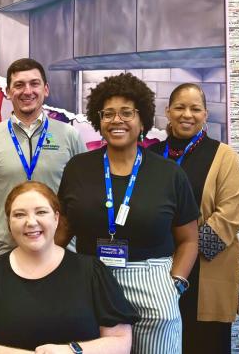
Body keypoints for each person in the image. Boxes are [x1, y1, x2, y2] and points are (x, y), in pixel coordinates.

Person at [56, 72, 200, 354]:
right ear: (98, 120)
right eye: (108, 113)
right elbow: (63, 230)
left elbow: (189, 240)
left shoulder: (169, 173)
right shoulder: (78, 168)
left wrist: (175, 286)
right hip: (90, 280)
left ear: (142, 119)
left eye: (126, 112)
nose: (116, 120)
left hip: (152, 281)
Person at [0, 181, 138, 353]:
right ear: (9, 223)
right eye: (19, 214)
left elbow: (120, 341)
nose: (31, 222)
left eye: (41, 212)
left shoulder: (92, 272)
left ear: (56, 218)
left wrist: (70, 352)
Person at [146, 83, 239, 354]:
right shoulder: (150, 156)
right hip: (157, 272)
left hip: (206, 270)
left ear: (205, 114)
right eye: (179, 107)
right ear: (167, 112)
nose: (186, 114)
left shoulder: (223, 155)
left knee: (206, 344)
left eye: (195, 108)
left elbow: (230, 215)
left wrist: (184, 252)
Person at [0, 58, 86, 256]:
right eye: (19, 85)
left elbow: (82, 189)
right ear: (8, 92)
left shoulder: (69, 136)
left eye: (34, 84)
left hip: (60, 248)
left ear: (46, 89)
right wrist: (7, 221)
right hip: (9, 249)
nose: (27, 91)